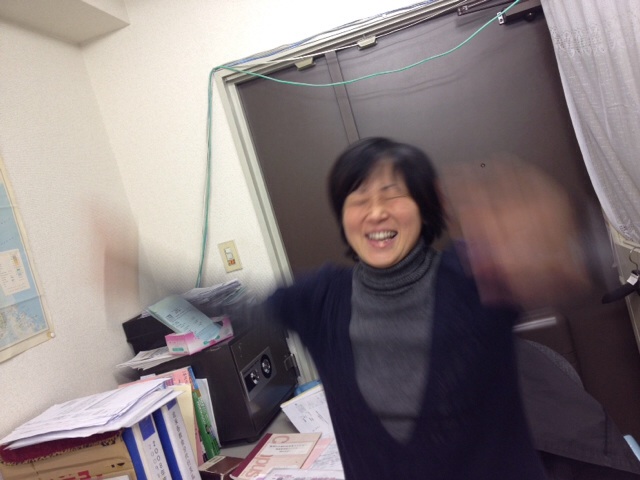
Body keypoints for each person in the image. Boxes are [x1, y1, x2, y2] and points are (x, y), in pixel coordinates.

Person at [259, 137, 584, 479]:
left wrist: (548, 246)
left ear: (423, 206)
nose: (376, 212)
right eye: (360, 199)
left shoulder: (475, 277)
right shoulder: (319, 300)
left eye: (392, 194)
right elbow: (240, 312)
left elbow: (558, 267)